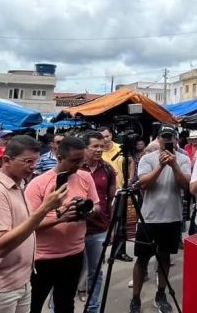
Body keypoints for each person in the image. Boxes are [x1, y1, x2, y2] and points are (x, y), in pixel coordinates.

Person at [0, 136, 69, 313]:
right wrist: (44, 209)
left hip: (19, 284)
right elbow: (0, 246)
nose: (33, 166)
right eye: (27, 161)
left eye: (36, 161)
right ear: (6, 160)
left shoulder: (18, 185)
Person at [24, 135, 99, 313]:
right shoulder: (38, 184)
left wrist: (87, 212)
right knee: (33, 305)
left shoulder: (85, 177)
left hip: (74, 254)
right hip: (43, 258)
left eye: (82, 160)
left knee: (66, 304)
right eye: (74, 161)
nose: (79, 165)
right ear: (59, 158)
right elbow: (27, 225)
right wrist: (61, 217)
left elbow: (96, 205)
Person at [131, 125, 190, 313]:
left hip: (172, 217)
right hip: (148, 218)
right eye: (164, 136)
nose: (168, 140)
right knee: (142, 259)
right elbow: (144, 185)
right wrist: (162, 165)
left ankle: (161, 294)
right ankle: (135, 299)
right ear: (158, 139)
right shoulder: (147, 158)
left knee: (165, 257)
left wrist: (173, 165)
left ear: (176, 139)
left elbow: (185, 185)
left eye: (171, 136)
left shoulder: (183, 159)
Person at [78, 131, 116, 313]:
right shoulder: (75, 168)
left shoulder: (108, 169)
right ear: (85, 148)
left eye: (101, 146)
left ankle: (92, 307)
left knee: (95, 272)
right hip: (75, 229)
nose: (99, 149)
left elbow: (110, 200)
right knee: (70, 272)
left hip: (99, 229)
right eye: (95, 146)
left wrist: (112, 227)